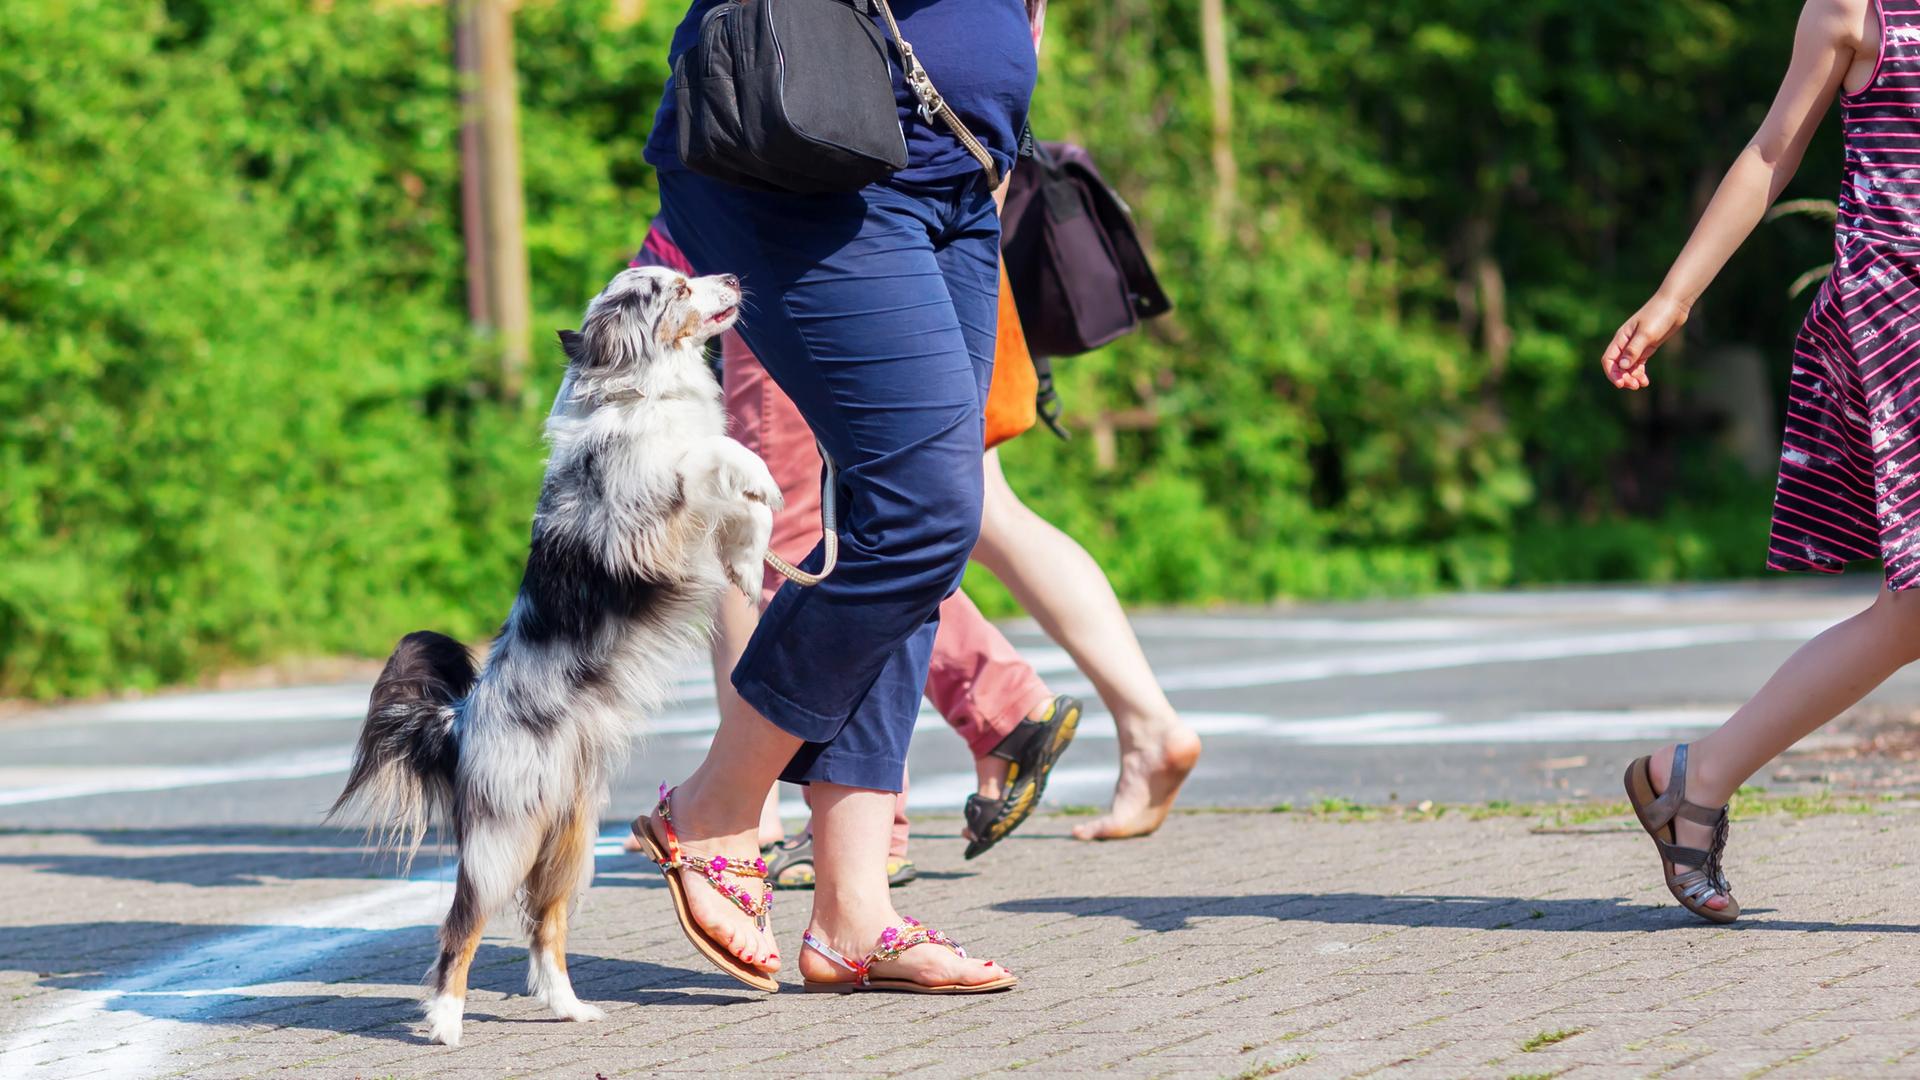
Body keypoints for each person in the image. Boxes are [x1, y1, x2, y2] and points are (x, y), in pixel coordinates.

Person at [626, 0, 1039, 993]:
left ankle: (855, 912)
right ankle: (716, 804)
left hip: (955, 170)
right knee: (927, 512)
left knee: (909, 527)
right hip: (810, 150)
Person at [1602, 0, 1915, 924]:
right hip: (1901, 310)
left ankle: (1693, 778)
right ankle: (1694, 778)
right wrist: (1673, 298)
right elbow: (1771, 155)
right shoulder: (1856, 8)